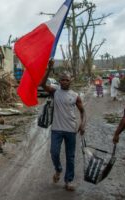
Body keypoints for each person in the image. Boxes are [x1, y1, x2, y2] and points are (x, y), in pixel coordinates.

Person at [40, 59, 86, 191]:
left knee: (70, 156)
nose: (65, 81)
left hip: (71, 130)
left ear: (71, 80)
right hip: (57, 129)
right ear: (59, 81)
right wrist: (49, 69)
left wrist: (83, 124)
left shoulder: (75, 96)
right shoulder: (55, 92)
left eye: (67, 79)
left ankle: (68, 181)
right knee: (54, 152)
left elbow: (83, 112)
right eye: (62, 80)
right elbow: (42, 84)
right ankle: (58, 169)